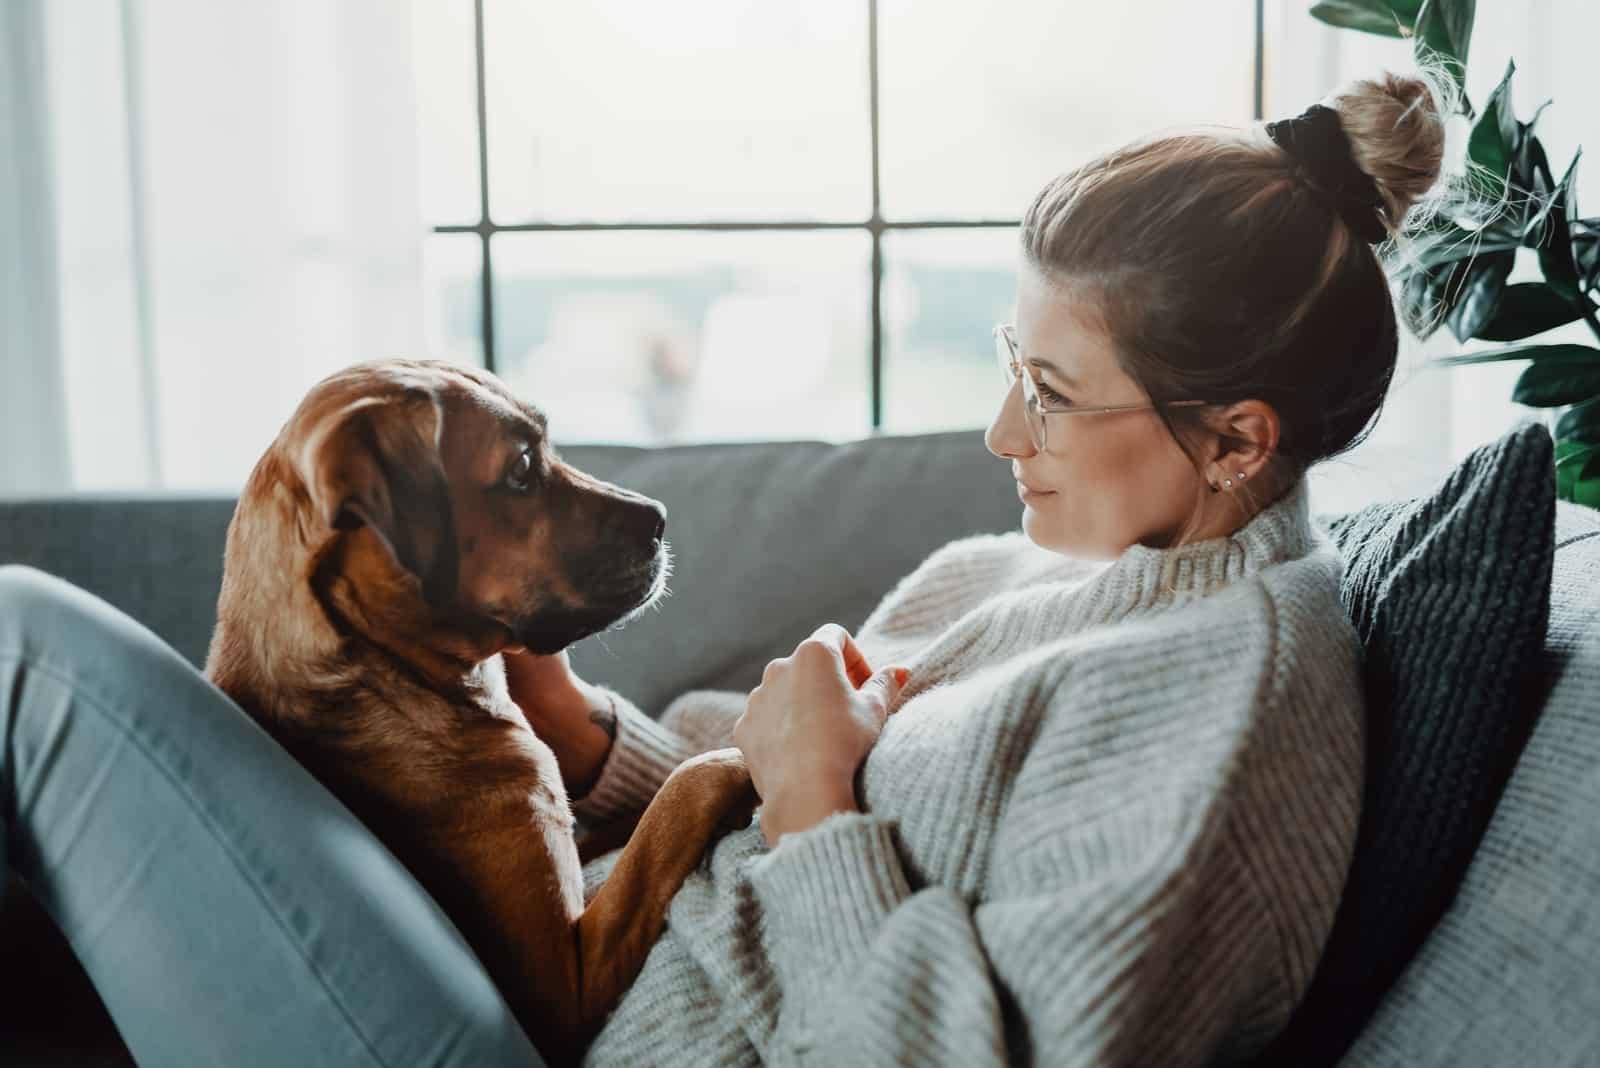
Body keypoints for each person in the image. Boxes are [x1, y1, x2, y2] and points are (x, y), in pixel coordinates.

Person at [0, 67, 1454, 1067]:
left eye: (1055, 393)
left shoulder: (1229, 713)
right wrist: (588, 745)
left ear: (1238, 438)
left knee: (21, 654)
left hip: (554, 1038)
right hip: (559, 967)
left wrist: (819, 803)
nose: (1002, 427)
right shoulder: (1012, 572)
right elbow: (740, 767)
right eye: (1017, 365)